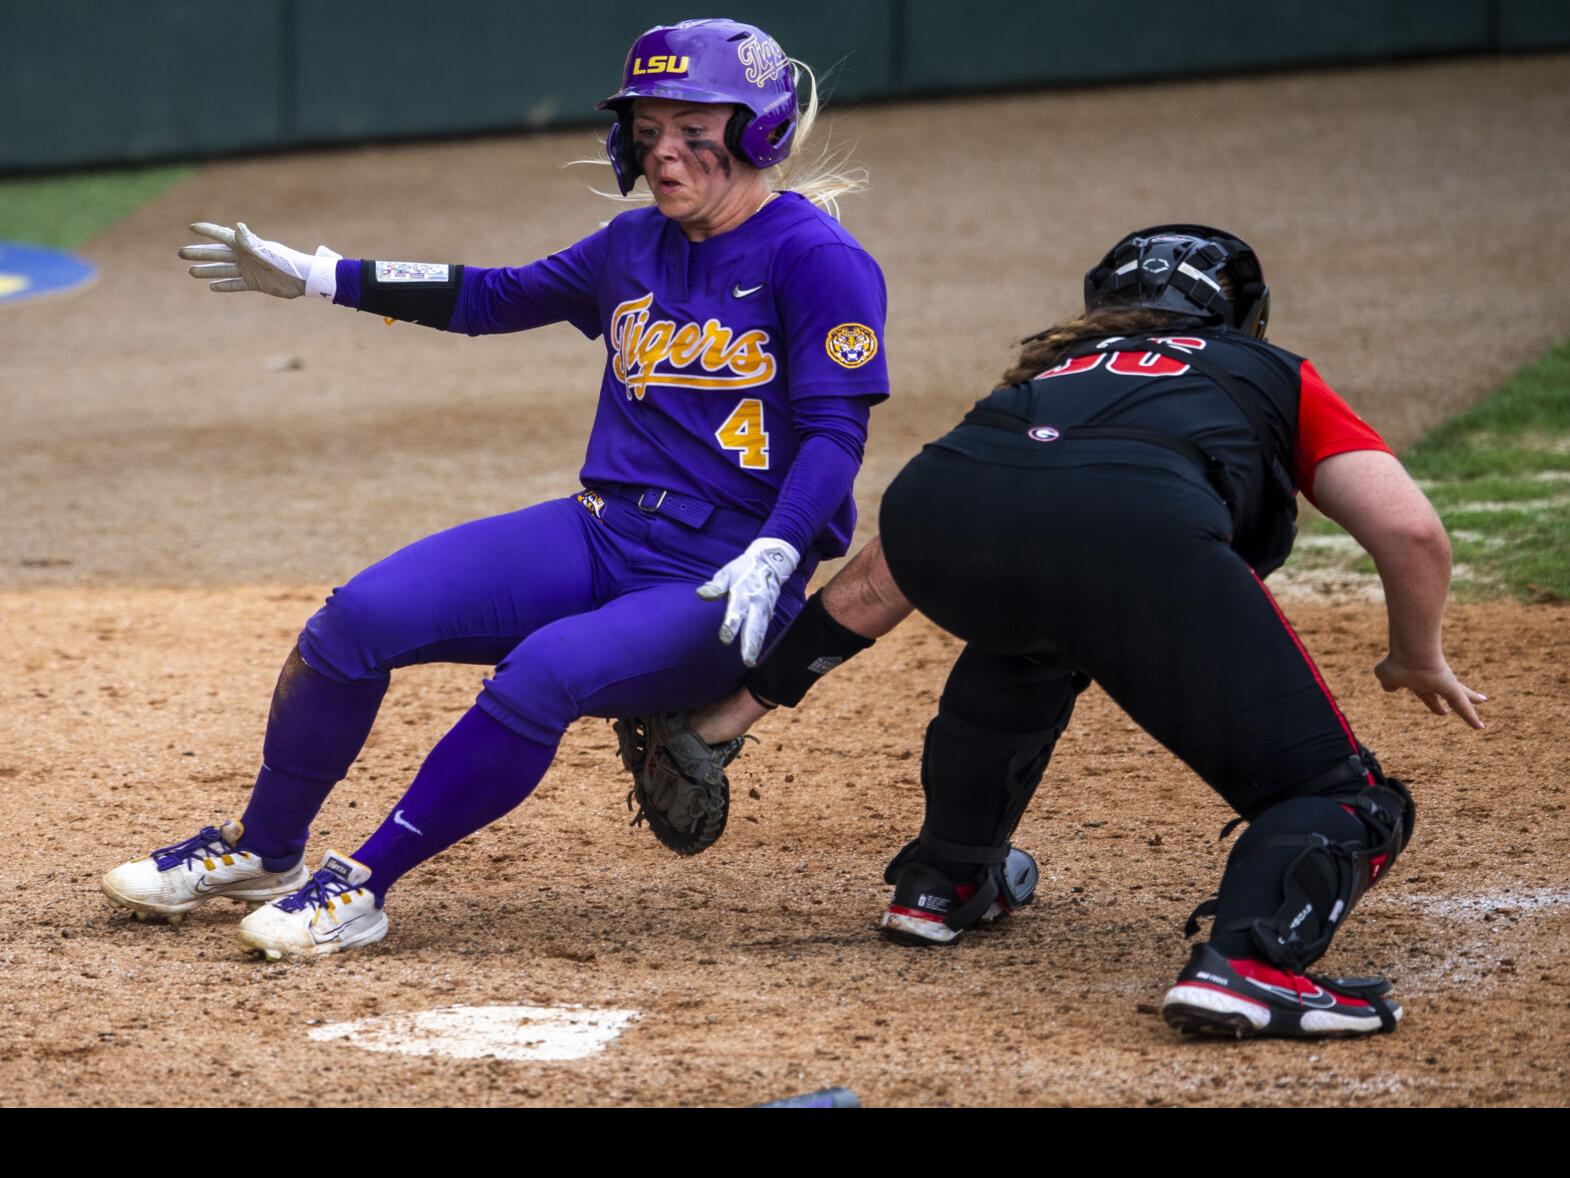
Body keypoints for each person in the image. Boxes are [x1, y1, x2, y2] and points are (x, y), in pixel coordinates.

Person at [100, 18, 890, 960]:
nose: (662, 151)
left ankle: (359, 886)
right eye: (648, 129)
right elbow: (489, 297)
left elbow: (839, 433)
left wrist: (779, 546)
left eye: (690, 127)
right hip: (601, 533)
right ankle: (265, 849)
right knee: (355, 620)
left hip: (723, 581)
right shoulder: (631, 243)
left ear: (758, 130)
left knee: (543, 674)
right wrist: (319, 275)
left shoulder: (815, 256)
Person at [677, 224, 1484, 1039]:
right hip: (1133, 536)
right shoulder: (1269, 369)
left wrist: (732, 714)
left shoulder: (1046, 370)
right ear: (1245, 316)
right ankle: (1251, 964)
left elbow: (881, 578)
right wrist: (1416, 655)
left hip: (939, 512)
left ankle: (943, 880)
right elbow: (1410, 533)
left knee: (1031, 635)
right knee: (1344, 798)